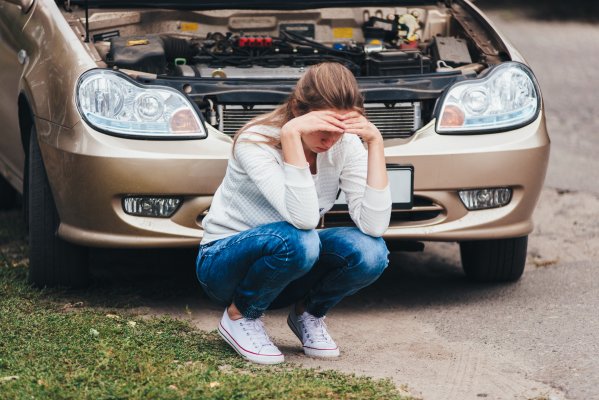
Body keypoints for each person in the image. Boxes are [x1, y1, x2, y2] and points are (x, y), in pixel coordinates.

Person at [195, 62, 391, 365]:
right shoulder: (255, 141)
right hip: (223, 262)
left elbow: (375, 225)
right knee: (301, 240)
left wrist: (375, 143)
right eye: (323, 128)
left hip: (290, 261)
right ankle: (239, 316)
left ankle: (307, 314)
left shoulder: (345, 144)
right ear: (299, 111)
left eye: (338, 130)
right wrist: (290, 137)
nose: (330, 140)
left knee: (372, 251)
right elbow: (303, 219)